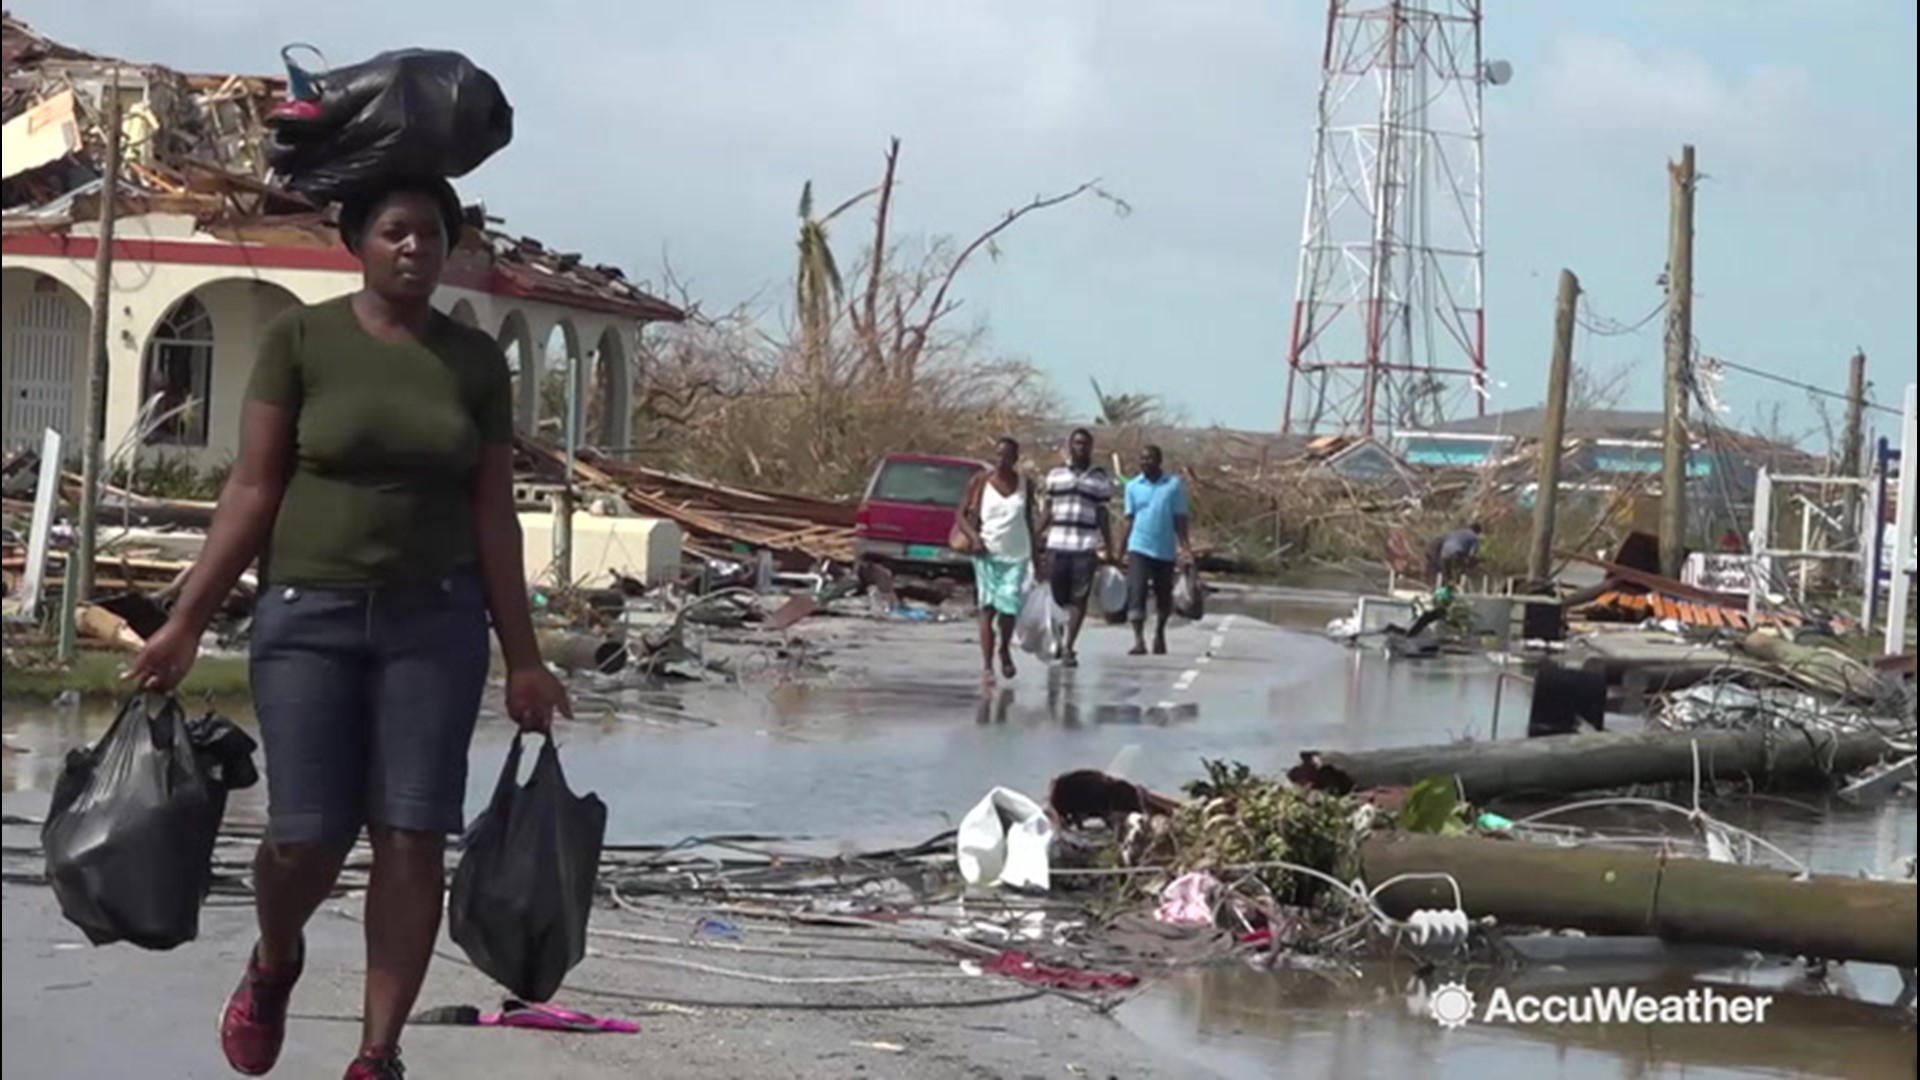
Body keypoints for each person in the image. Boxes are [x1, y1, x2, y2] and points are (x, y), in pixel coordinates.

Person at [123, 176, 572, 1080]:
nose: (415, 248)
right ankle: (276, 958)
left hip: (435, 624)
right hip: (307, 617)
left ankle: (378, 1053)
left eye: (432, 235)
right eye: (395, 232)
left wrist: (525, 658)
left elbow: (495, 515)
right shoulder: (301, 339)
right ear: (357, 244)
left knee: (412, 833)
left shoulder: (474, 361)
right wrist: (183, 624)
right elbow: (252, 488)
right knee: (306, 834)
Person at [955, 437, 1041, 684]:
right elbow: (960, 514)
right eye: (998, 455)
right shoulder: (981, 482)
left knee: (1008, 608)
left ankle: (1004, 648)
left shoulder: (1026, 484)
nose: (1001, 461)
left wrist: (1037, 558)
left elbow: (1028, 520)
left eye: (1007, 456)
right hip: (986, 555)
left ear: (1015, 459)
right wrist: (974, 538)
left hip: (1016, 555)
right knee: (987, 609)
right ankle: (987, 666)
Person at [1037, 428, 1115, 668]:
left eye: (1085, 444)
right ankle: (1057, 641)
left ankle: (1070, 646)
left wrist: (1110, 547)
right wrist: (1034, 535)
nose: (1081, 448)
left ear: (1091, 448)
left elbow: (1102, 515)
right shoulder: (1055, 475)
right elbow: (1047, 510)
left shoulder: (1100, 479)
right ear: (1070, 446)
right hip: (1057, 544)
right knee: (1057, 599)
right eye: (1077, 443)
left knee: (1078, 599)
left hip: (1085, 546)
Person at [1119, 445, 1192, 656]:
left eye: (1150, 459)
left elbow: (1180, 519)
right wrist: (1119, 550)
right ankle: (1138, 640)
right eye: (1142, 459)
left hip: (1164, 549)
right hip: (1138, 546)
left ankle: (1159, 632)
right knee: (1137, 591)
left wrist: (1185, 548)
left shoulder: (1173, 486)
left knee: (1163, 595)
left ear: (1159, 461)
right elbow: (1128, 519)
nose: (1145, 462)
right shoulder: (1132, 486)